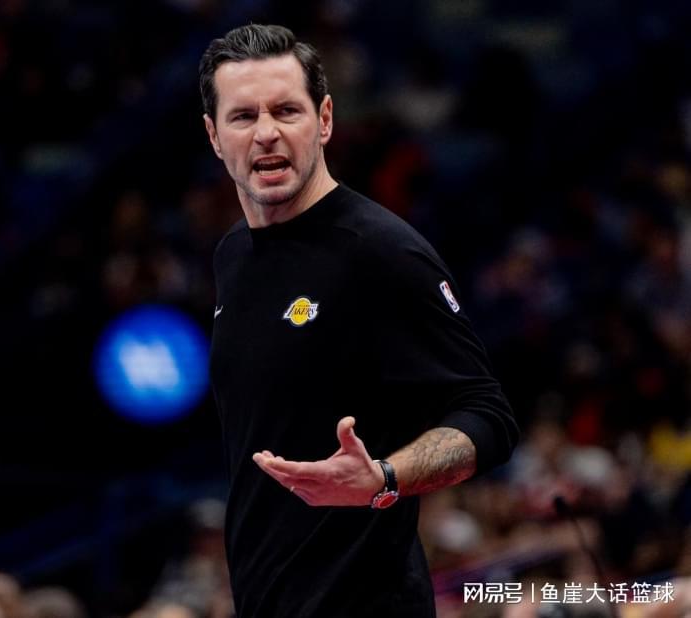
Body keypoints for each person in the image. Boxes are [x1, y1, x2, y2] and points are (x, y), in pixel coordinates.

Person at [200, 24, 519, 617]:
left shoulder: (382, 252)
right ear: (215, 136)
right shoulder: (233, 255)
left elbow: (489, 417)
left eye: (286, 111)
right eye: (243, 116)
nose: (267, 133)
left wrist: (386, 477)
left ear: (324, 120)